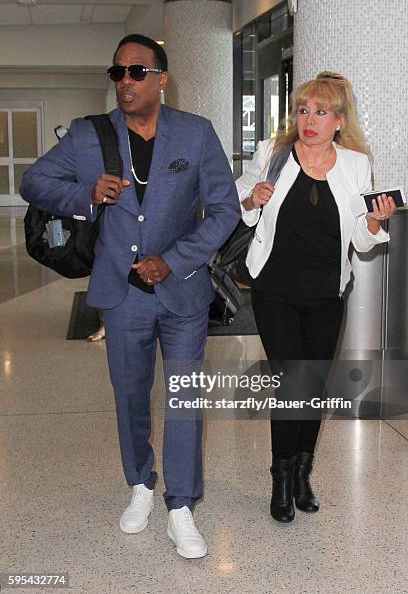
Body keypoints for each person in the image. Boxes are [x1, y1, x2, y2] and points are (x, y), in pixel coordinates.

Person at [20, 33, 240, 557]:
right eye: (117, 73)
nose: (126, 82)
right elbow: (34, 181)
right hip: (121, 295)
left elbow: (225, 210)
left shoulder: (196, 134)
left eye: (137, 72)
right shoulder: (87, 136)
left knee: (184, 399)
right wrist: (86, 193)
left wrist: (177, 258)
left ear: (162, 78)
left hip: (182, 291)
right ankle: (141, 484)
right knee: (130, 398)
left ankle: (181, 505)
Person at [236, 71, 396, 523]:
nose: (308, 119)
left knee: (314, 389)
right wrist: (252, 199)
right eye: (303, 110)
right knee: (292, 384)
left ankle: (303, 470)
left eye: (320, 111)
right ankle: (281, 480)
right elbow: (239, 205)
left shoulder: (355, 164)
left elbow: (362, 243)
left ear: (339, 120)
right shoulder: (273, 154)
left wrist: (374, 221)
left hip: (327, 292)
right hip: (274, 289)